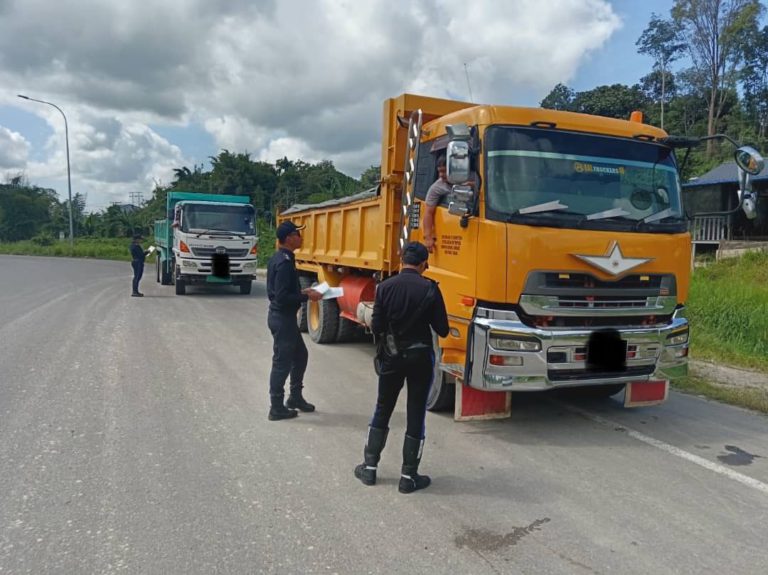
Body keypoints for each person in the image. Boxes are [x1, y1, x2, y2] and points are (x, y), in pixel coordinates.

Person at [354, 241, 449, 493]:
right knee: (416, 412)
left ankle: (370, 468)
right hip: (420, 359)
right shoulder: (430, 289)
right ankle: (408, 477)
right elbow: (443, 329)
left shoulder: (384, 287)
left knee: (383, 407)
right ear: (423, 264)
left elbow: (376, 327)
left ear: (402, 260)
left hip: (391, 358)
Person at [266, 220, 323, 421]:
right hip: (282, 319)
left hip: (285, 318)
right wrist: (307, 296)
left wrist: (302, 292)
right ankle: (276, 407)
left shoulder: (283, 258)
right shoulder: (283, 263)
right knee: (282, 363)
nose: (301, 237)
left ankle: (295, 398)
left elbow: (284, 292)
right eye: (298, 234)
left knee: (300, 356)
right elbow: (281, 297)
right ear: (289, 238)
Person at [422, 155, 452, 253]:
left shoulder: (473, 177)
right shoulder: (436, 188)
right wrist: (428, 237)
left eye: (444, 171)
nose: (441, 175)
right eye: (439, 171)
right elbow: (428, 212)